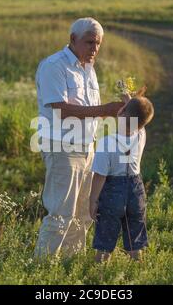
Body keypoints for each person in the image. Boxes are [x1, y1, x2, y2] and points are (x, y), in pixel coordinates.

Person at [34, 17, 127, 258]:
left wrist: (121, 109)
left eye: (98, 43)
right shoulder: (54, 66)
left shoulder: (89, 68)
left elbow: (89, 108)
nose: (94, 48)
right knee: (60, 213)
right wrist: (104, 110)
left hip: (88, 147)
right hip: (62, 146)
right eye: (89, 42)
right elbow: (60, 109)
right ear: (73, 39)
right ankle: (42, 271)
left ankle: (69, 263)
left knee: (84, 213)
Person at [89, 96, 154, 262]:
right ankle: (137, 268)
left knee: (105, 236)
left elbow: (100, 176)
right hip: (135, 189)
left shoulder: (106, 142)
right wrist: (129, 103)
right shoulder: (140, 135)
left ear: (122, 112)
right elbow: (137, 119)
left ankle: (100, 273)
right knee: (135, 239)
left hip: (112, 191)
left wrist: (93, 201)